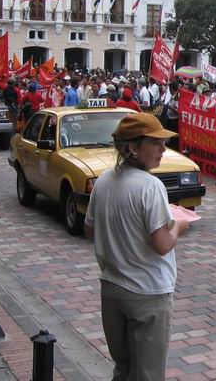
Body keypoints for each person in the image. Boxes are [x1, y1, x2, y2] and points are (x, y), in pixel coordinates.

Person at [84, 113, 189, 381]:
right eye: (155, 143)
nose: (162, 149)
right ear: (132, 147)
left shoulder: (103, 180)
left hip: (112, 290)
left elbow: (89, 230)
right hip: (148, 293)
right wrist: (179, 225)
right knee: (147, 374)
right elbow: (162, 244)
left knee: (123, 369)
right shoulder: (150, 186)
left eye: (163, 143)